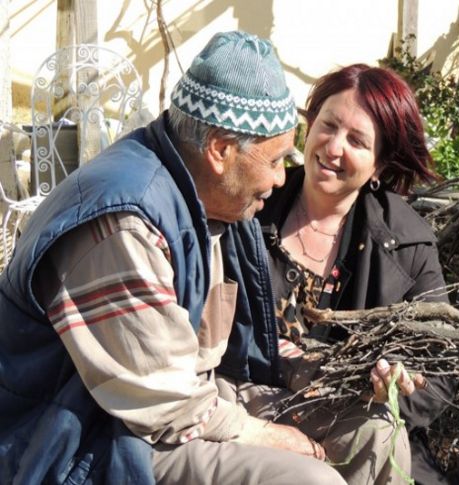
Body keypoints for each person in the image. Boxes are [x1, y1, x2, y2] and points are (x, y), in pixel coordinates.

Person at [0, 31, 345, 484]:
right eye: (277, 159)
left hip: (179, 402)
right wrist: (266, 435)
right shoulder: (123, 223)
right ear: (220, 150)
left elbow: (231, 340)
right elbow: (162, 401)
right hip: (84, 438)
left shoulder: (215, 204)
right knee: (309, 480)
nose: (283, 179)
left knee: (369, 432)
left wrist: (320, 370)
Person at [219, 64, 455, 485]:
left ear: (379, 165)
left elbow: (438, 376)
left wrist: (396, 381)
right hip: (245, 412)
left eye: (357, 141)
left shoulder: (407, 243)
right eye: (327, 126)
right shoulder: (251, 207)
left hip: (354, 430)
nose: (333, 147)